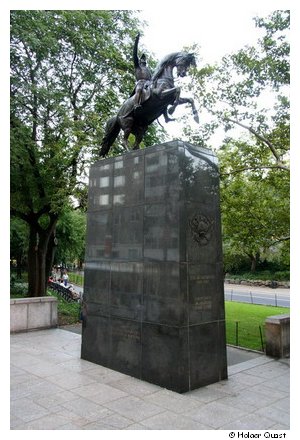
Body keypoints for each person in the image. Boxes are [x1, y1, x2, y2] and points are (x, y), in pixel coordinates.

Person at [133, 33, 152, 109]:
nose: (144, 60)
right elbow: (134, 53)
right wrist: (136, 41)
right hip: (140, 83)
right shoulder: (137, 66)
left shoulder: (148, 70)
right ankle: (135, 104)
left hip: (148, 84)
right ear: (140, 60)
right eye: (142, 59)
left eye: (145, 59)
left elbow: (152, 78)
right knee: (139, 89)